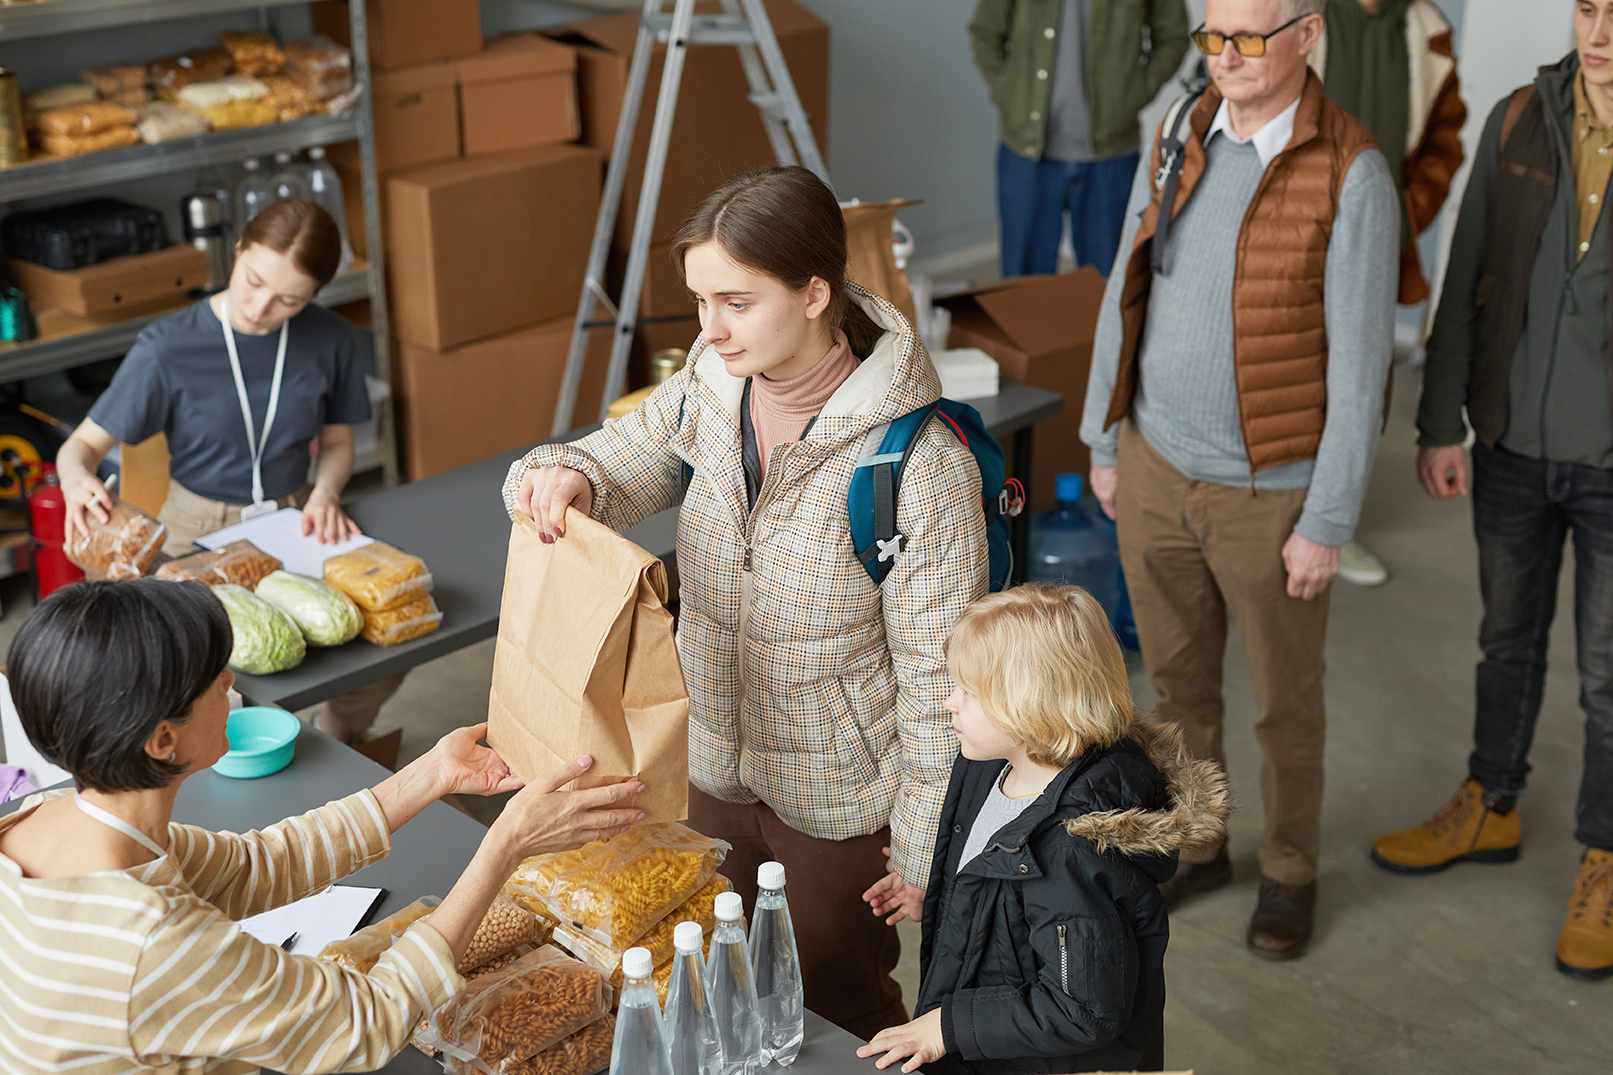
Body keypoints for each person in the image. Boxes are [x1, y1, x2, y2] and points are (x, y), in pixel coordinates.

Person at [504, 166, 988, 1038]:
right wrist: (563, 471)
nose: (711, 328)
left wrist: (923, 845)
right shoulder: (710, 385)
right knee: (710, 986)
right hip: (709, 763)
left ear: (814, 292)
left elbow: (939, 679)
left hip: (838, 803)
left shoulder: (917, 466)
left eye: (735, 301)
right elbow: (627, 453)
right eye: (697, 301)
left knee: (835, 1012)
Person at [0, 577, 645, 1074]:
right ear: (163, 739)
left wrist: (427, 777)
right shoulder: (150, 944)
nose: (230, 680)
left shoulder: (51, 820)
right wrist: (504, 844)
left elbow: (251, 868)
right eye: (211, 677)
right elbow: (365, 1022)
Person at [1078, 0, 1399, 959]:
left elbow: (1360, 365)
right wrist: (1104, 439)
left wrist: (1330, 516)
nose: (1227, 56)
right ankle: (1202, 843)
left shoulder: (1352, 172)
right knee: (1174, 690)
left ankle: (1290, 868)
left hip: (1272, 498)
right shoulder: (1181, 131)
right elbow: (1123, 288)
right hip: (1153, 464)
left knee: (1281, 702)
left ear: (1307, 36)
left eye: (1250, 37)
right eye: (1213, 37)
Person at [1372, 0, 1613, 983]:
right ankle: (1491, 802)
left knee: (1608, 675)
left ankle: (1603, 855)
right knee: (1503, 640)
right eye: (1590, 7)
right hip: (1511, 444)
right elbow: (1464, 271)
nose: (1599, 30)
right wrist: (1439, 423)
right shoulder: (1519, 117)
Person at [55, 199, 395, 744]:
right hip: (195, 529)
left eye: (289, 300)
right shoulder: (169, 346)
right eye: (253, 280)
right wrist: (76, 479)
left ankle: (336, 738)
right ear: (236, 250)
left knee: (377, 640)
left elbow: (337, 443)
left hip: (295, 517)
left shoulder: (327, 337)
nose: (260, 308)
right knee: (199, 668)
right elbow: (80, 448)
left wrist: (326, 492)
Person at [856, 585, 1227, 1075]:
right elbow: (1002, 885)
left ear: (1029, 705)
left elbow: (1085, 1008)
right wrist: (956, 902)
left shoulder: (1074, 850)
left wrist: (948, 1027)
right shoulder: (986, 766)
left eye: (969, 692)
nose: (949, 703)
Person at [1312, 0, 1468, 587]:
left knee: (1360, 391)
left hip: (1380, 248)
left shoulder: (1425, 29)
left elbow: (1444, 139)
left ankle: (1335, 526)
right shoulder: (1303, 13)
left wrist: (1401, 217)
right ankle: (1270, 522)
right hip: (1294, 236)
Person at [969, 0, 1192, 278]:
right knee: (1022, 288)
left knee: (1108, 283)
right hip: (1025, 153)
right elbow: (985, 32)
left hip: (1112, 155)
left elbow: (1172, 37)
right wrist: (1008, 92)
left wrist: (1137, 92)